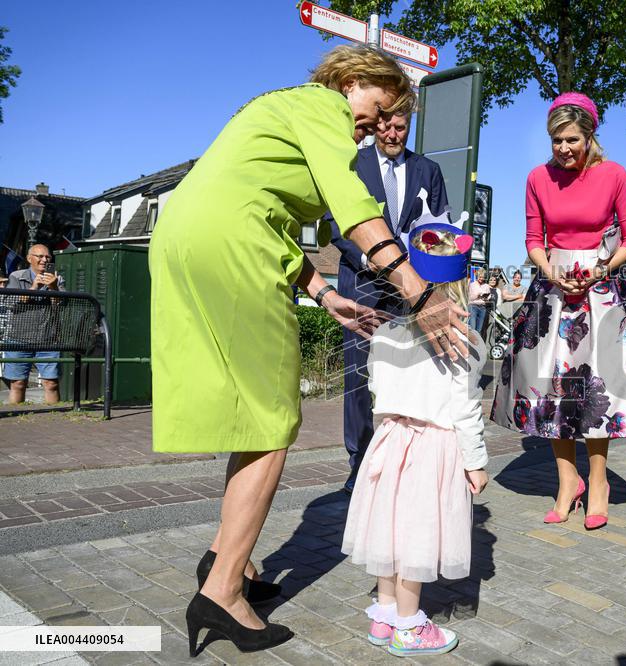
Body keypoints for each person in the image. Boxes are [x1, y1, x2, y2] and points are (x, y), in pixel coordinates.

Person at [149, 45, 468, 656]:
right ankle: (220, 592)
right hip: (233, 246)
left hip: (194, 235)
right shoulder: (323, 105)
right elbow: (352, 208)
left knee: (249, 414)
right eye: (376, 111)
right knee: (273, 421)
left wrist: (323, 293)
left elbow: (262, 212)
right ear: (352, 82)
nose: (374, 129)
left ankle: (228, 560)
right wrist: (418, 291)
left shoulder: (278, 108)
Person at [491, 92, 626, 531]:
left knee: (597, 388)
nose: (563, 149)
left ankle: (598, 481)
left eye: (571, 140)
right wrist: (551, 270)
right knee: (550, 389)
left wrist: (602, 267)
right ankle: (568, 480)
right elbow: (533, 238)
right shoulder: (536, 178)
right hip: (552, 285)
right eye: (555, 141)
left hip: (600, 287)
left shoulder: (614, 174)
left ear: (590, 136)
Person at [342, 224, 488, 657]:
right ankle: (409, 627)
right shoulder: (466, 342)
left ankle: (384, 616)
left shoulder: (385, 334)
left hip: (389, 441)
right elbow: (466, 409)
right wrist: (475, 461)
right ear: (459, 286)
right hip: (433, 446)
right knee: (416, 534)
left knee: (388, 528)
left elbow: (376, 393)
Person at [327, 106, 449, 493]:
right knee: (359, 377)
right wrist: (371, 259)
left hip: (411, 285)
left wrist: (434, 276)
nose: (393, 134)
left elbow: (440, 229)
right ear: (375, 125)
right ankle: (359, 462)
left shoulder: (428, 170)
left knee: (408, 371)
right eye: (386, 126)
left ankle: (404, 458)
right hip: (362, 279)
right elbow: (334, 221)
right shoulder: (351, 163)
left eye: (401, 127)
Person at [2, 244, 65, 405]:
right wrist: (33, 288)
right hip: (18, 338)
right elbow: (10, 302)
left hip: (48, 339)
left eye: (47, 257)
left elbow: (62, 304)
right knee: (18, 384)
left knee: (51, 383)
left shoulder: (57, 278)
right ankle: (17, 416)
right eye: (40, 256)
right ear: (30, 259)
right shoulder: (17, 276)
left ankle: (55, 417)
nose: (44, 260)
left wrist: (53, 287)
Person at [468, 267, 490, 335]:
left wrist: (486, 297)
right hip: (473, 306)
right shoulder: (472, 285)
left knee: (479, 329)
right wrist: (478, 295)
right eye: (480, 277)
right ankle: (469, 344)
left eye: (483, 277)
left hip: (482, 307)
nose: (481, 279)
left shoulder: (486, 286)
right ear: (477, 276)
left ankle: (477, 344)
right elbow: (470, 298)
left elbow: (488, 297)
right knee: (472, 327)